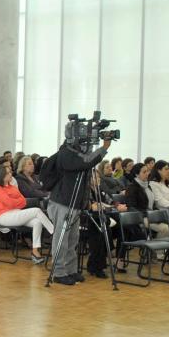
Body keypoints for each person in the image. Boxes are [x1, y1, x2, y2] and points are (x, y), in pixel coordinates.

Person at [46, 122, 111, 285]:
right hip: (62, 202)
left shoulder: (76, 151)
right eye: (82, 132)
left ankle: (70, 270)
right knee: (62, 238)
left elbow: (86, 159)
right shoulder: (66, 153)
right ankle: (59, 272)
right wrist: (103, 148)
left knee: (73, 239)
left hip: (74, 203)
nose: (85, 137)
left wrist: (96, 130)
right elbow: (85, 162)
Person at [0, 163, 54, 263]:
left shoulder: (12, 187)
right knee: (37, 210)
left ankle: (35, 251)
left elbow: (23, 201)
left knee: (37, 222)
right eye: (8, 173)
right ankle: (54, 232)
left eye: (10, 172)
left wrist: (14, 202)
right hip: (5, 216)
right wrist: (15, 201)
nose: (10, 174)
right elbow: (10, 203)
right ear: (2, 175)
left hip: (17, 213)